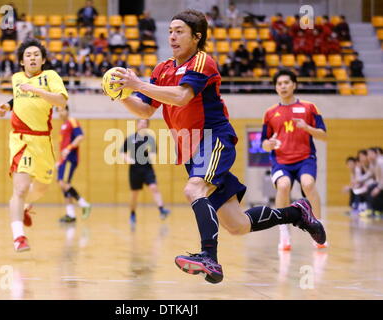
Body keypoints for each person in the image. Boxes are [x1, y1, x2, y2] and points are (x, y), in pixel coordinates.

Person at [109, 10, 326, 284]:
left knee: (194, 189)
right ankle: (298, 213)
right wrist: (121, 95)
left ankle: (209, 256)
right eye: (171, 31)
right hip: (191, 149)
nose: (172, 36)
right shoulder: (161, 70)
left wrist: (137, 83)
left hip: (214, 140)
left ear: (196, 36)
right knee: (237, 225)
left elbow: (181, 97)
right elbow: (144, 110)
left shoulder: (203, 62)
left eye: (179, 31)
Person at [0, 38, 68, 252]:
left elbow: (61, 101)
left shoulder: (50, 77)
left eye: (36, 54)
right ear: (21, 61)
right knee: (20, 187)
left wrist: (37, 90)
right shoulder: (17, 78)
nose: (32, 57)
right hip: (21, 139)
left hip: (43, 140)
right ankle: (19, 237)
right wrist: (7, 106)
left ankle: (26, 207)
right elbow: (20, 97)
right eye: (28, 55)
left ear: (43, 59)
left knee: (43, 187)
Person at [261, 69, 328, 251]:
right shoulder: (270, 113)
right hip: (281, 161)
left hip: (305, 158)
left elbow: (323, 135)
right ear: (276, 87)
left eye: (286, 83)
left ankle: (318, 229)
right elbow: (264, 143)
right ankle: (283, 233)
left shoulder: (309, 107)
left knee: (308, 184)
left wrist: (307, 128)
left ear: (294, 85)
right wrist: (269, 143)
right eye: (279, 83)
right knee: (283, 186)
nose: (283, 86)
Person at [120, 119, 171, 227]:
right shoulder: (130, 138)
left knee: (154, 187)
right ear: (137, 124)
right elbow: (122, 152)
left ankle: (162, 210)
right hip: (134, 169)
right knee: (135, 194)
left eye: (145, 123)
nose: (143, 125)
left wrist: (149, 157)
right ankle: (132, 214)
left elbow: (153, 152)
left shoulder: (150, 139)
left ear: (147, 126)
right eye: (141, 123)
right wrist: (128, 159)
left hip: (147, 168)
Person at [56, 105, 91, 223]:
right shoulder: (63, 126)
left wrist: (69, 148)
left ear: (67, 110)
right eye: (58, 111)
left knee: (63, 183)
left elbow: (80, 136)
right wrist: (59, 161)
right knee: (64, 186)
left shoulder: (72, 121)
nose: (60, 113)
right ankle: (70, 214)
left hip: (70, 158)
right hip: (63, 159)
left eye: (62, 110)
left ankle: (83, 203)